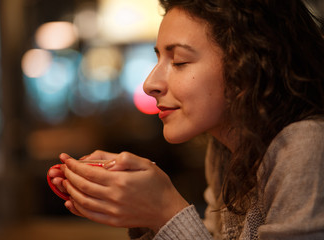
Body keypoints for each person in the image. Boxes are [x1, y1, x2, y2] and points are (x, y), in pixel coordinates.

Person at [47, 0, 324, 239]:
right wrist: (142, 209)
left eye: (178, 61)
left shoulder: (304, 146)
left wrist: (165, 210)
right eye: (157, 59)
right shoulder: (226, 150)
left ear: (248, 64)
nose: (149, 84)